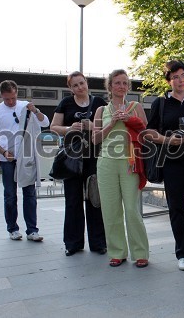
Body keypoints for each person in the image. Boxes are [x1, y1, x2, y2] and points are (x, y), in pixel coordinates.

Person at [145, 60, 184, 271]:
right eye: (175, 77)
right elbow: (149, 132)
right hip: (172, 162)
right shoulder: (160, 103)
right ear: (168, 80)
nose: (180, 80)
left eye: (183, 75)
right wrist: (167, 140)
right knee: (176, 209)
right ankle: (183, 253)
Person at [92, 69, 149, 268]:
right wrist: (113, 122)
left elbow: (145, 133)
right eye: (117, 83)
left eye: (125, 83)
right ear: (110, 86)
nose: (122, 86)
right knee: (111, 210)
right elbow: (95, 138)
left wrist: (129, 120)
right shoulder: (101, 110)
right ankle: (117, 252)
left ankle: (140, 252)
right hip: (106, 163)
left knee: (132, 209)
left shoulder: (135, 107)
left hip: (129, 162)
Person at [50, 72, 107, 256]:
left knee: (95, 200)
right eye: (75, 85)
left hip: (94, 158)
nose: (79, 87)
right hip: (72, 160)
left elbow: (108, 126)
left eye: (81, 83)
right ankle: (73, 243)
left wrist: (93, 126)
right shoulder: (65, 103)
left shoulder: (99, 102)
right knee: (73, 201)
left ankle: (99, 243)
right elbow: (53, 127)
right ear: (70, 88)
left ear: (86, 83)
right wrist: (69, 128)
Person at [0, 80, 49, 241]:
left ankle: (32, 230)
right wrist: (4, 151)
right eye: (7, 99)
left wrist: (35, 111)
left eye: (13, 98)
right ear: (1, 96)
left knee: (29, 193)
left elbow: (45, 122)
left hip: (26, 156)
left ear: (17, 93)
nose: (11, 102)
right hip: (7, 158)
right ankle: (13, 228)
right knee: (10, 194)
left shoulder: (25, 106)